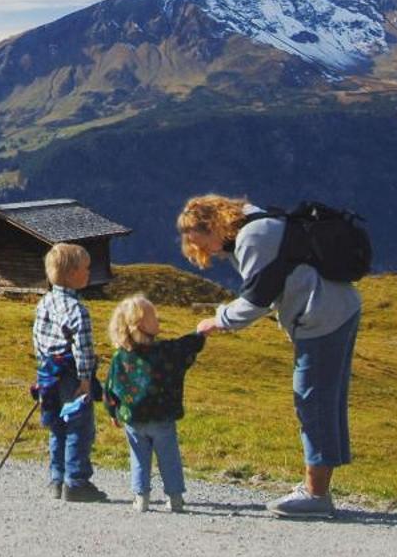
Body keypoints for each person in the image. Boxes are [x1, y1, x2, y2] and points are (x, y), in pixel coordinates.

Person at [180, 193, 363, 519]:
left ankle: (315, 495)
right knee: (326, 399)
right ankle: (318, 486)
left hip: (322, 316)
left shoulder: (253, 237)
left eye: (202, 242)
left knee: (311, 400)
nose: (206, 252)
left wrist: (217, 320)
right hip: (338, 308)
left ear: (213, 224)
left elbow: (257, 299)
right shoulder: (259, 220)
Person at [104, 294, 204, 513]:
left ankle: (141, 499)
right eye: (153, 316)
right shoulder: (165, 352)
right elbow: (185, 347)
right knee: (169, 457)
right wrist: (201, 334)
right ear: (141, 324)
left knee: (139, 458)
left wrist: (112, 411)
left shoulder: (121, 357)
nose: (158, 319)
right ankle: (175, 498)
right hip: (162, 418)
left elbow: (110, 387)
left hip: (133, 419)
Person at [32, 241, 108, 503]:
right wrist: (86, 379)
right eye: (86, 268)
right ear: (72, 273)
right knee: (79, 426)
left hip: (49, 374)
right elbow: (84, 349)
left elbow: (38, 339)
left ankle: (56, 479)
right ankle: (76, 482)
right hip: (73, 376)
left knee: (57, 425)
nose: (89, 272)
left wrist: (44, 369)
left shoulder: (44, 303)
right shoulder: (77, 310)